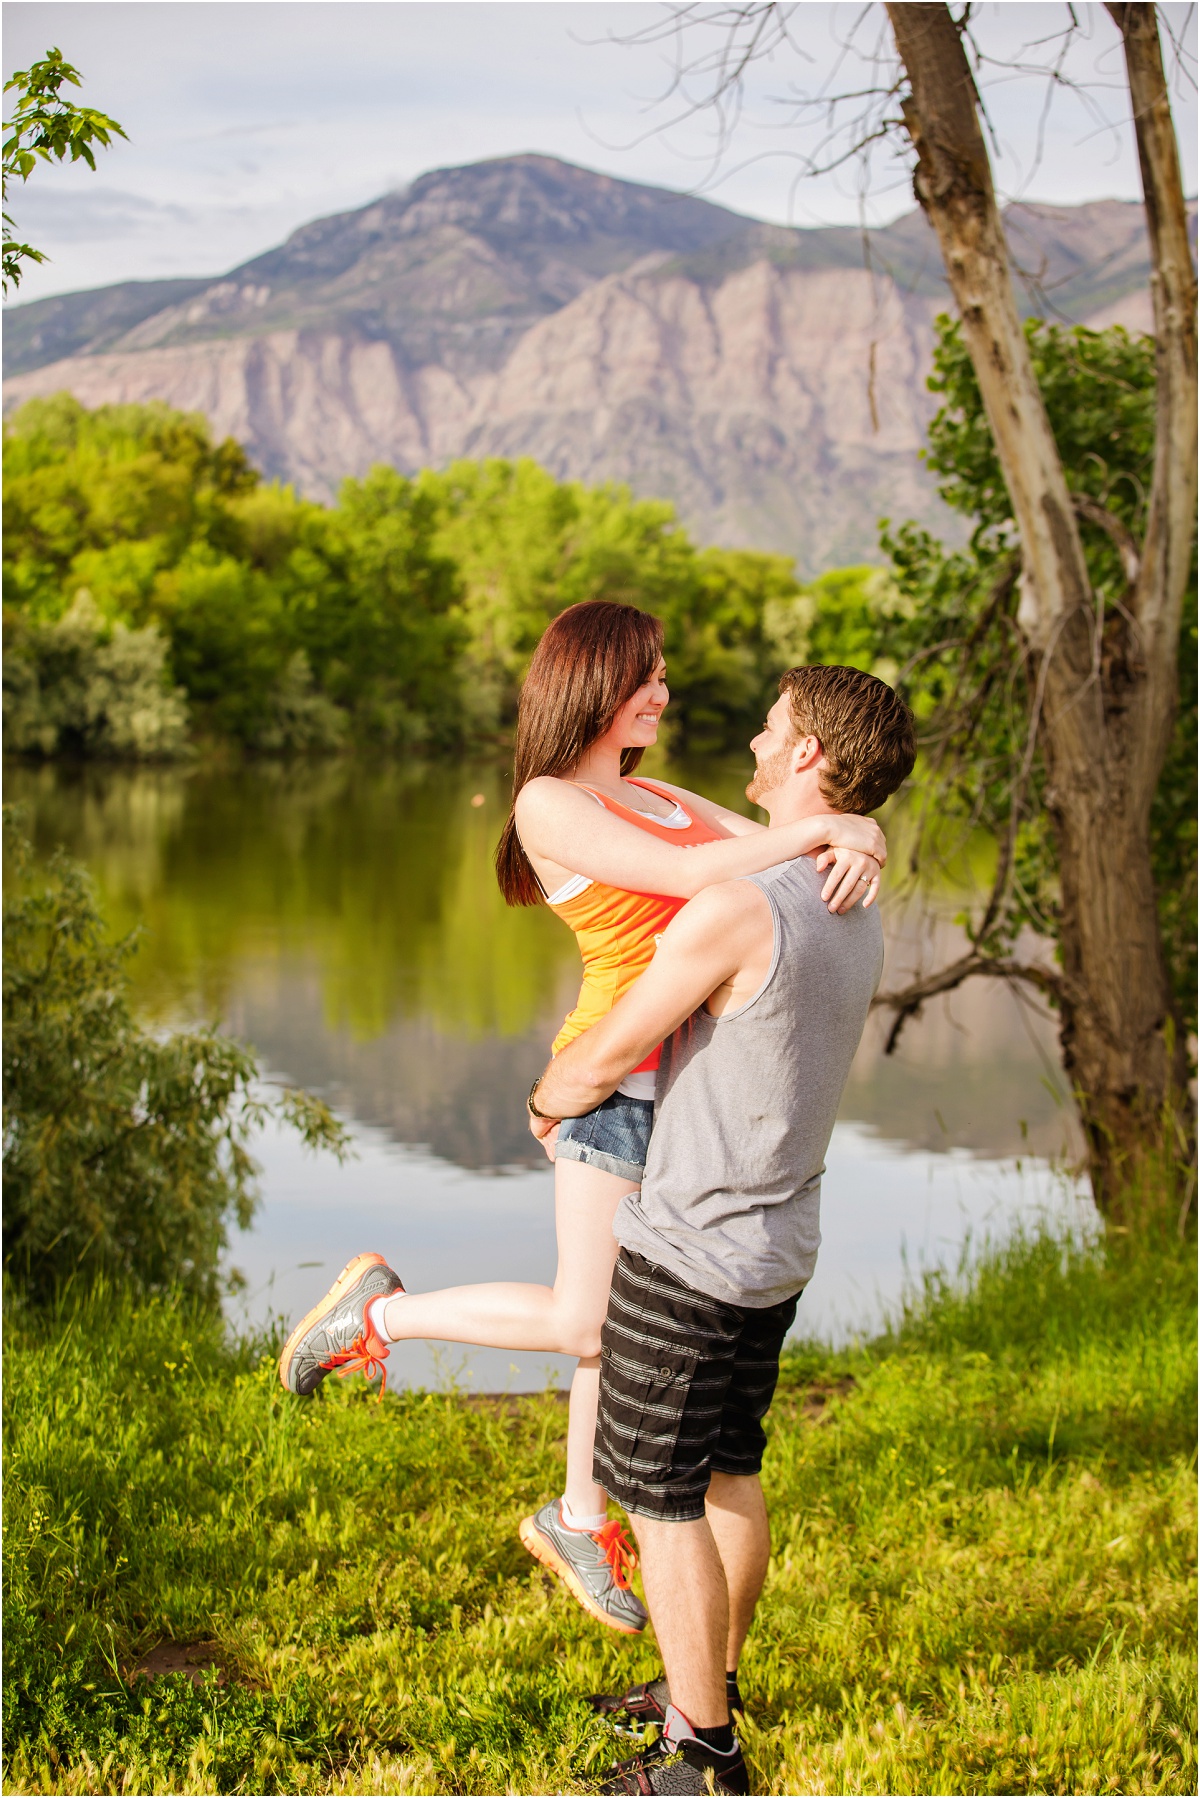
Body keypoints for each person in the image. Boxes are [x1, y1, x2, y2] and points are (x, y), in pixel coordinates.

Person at [278, 603, 886, 1635]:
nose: (662, 693)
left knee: (623, 1325)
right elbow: (707, 873)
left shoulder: (650, 791)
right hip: (612, 1082)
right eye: (647, 676)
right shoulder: (549, 806)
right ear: (597, 682)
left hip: (688, 1092)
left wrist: (858, 826)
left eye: (660, 677)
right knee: (585, 1319)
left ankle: (577, 1512)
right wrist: (828, 827)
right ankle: (374, 1315)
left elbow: (778, 847)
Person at [525, 663, 916, 1795]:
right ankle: (708, 1683)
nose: (751, 739)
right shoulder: (851, 893)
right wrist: (865, 830)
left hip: (690, 1250)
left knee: (658, 1496)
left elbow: (608, 1053)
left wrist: (552, 1102)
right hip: (778, 1247)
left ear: (808, 759)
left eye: (771, 727)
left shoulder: (741, 905)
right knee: (729, 1469)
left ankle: (698, 1751)